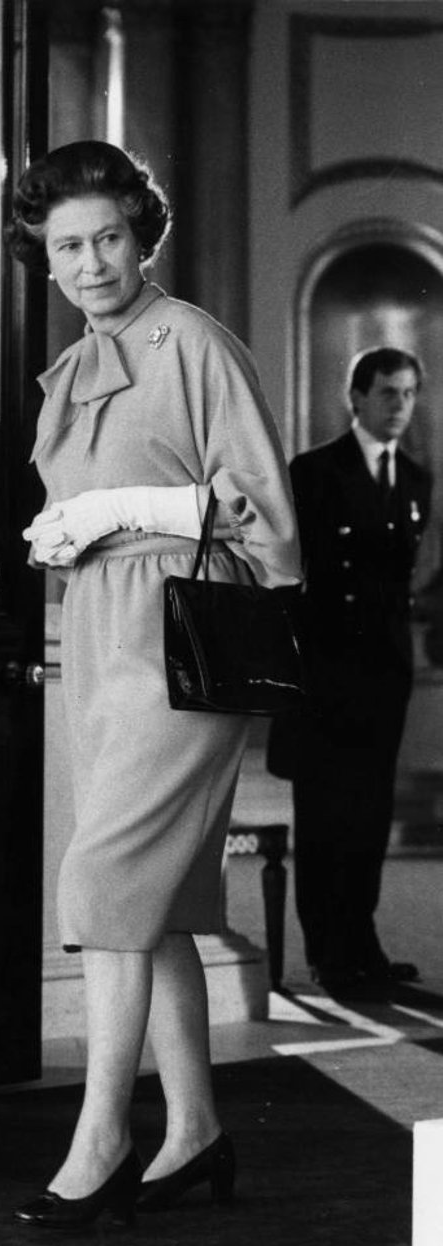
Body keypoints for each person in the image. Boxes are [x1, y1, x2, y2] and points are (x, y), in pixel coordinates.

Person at [6, 140, 300, 1228]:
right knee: (155, 900)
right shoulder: (82, 358)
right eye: (67, 246)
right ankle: (194, 1130)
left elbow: (266, 519)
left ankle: (101, 1136)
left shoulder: (189, 340)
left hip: (183, 632)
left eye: (109, 238)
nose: (90, 263)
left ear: (144, 235)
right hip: (100, 630)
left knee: (103, 881)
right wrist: (65, 532)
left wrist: (129, 509)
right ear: (43, 257)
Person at [267, 347, 431, 994]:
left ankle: (364, 945)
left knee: (370, 814)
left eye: (410, 393)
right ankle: (327, 953)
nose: (400, 406)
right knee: (325, 814)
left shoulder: (416, 478)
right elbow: (291, 573)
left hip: (384, 673)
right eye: (388, 393)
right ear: (356, 397)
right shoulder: (313, 471)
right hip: (327, 671)